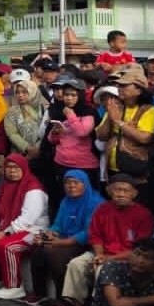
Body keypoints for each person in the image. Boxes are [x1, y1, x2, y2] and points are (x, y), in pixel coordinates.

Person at [59, 174, 154, 306]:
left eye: (125, 190)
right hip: (102, 253)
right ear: (109, 191)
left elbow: (140, 248)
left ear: (134, 193)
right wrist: (99, 255)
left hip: (127, 258)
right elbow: (95, 236)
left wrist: (108, 259)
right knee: (76, 265)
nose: (121, 194)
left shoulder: (143, 214)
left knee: (102, 270)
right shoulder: (103, 209)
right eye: (117, 190)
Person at [0, 154, 49, 300]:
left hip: (31, 230)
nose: (12, 171)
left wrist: (5, 233)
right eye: (9, 167)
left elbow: (27, 219)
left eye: (16, 168)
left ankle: (15, 286)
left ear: (24, 168)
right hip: (3, 227)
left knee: (6, 246)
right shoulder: (3, 186)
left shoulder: (33, 188)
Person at [27, 170, 101, 306]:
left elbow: (88, 233)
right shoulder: (66, 201)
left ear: (85, 184)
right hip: (65, 239)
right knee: (38, 249)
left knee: (53, 253)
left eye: (76, 182)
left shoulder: (95, 203)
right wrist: (50, 233)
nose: (71, 186)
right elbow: (58, 224)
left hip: (85, 244)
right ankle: (39, 292)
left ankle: (64, 299)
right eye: (68, 183)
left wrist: (60, 243)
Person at [95, 67, 154, 194]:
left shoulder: (149, 110)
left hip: (136, 171)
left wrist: (118, 122)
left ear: (139, 90)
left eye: (124, 85)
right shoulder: (116, 107)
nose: (119, 88)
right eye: (118, 85)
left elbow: (145, 138)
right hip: (112, 169)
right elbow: (101, 136)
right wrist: (110, 117)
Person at [44, 77, 99, 216]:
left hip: (84, 164)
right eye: (66, 94)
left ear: (80, 95)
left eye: (73, 95)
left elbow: (82, 132)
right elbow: (51, 140)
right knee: (64, 198)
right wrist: (55, 132)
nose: (68, 98)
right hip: (62, 163)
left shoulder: (88, 112)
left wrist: (71, 115)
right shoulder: (59, 111)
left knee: (84, 200)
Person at [4, 79, 46, 163]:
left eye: (24, 92)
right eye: (17, 92)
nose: (20, 95)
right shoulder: (12, 111)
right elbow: (12, 133)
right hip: (19, 153)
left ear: (33, 92)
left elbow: (46, 131)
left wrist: (37, 148)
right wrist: (27, 148)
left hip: (41, 153)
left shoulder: (44, 109)